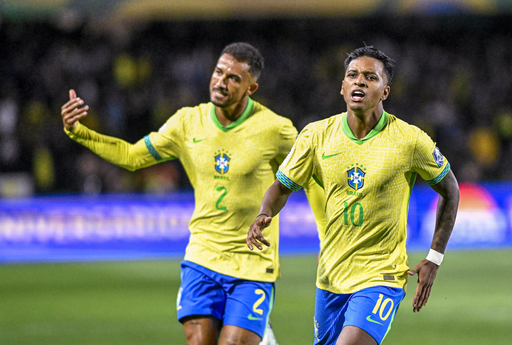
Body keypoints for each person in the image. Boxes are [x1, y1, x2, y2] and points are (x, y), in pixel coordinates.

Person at [61, 42, 324, 345]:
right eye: (218, 72)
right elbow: (133, 156)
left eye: (233, 78)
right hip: (202, 257)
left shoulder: (275, 130)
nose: (221, 82)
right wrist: (80, 132)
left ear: (251, 87)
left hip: (252, 262)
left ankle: (262, 336)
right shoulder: (186, 122)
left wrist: (325, 235)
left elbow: (311, 180)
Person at [247, 45, 460, 345]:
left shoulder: (409, 140)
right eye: (352, 75)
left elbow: (450, 189)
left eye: (370, 77)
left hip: (382, 277)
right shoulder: (316, 136)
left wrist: (434, 257)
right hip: (330, 277)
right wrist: (264, 213)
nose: (359, 81)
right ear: (342, 87)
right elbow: (282, 186)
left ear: (385, 91)